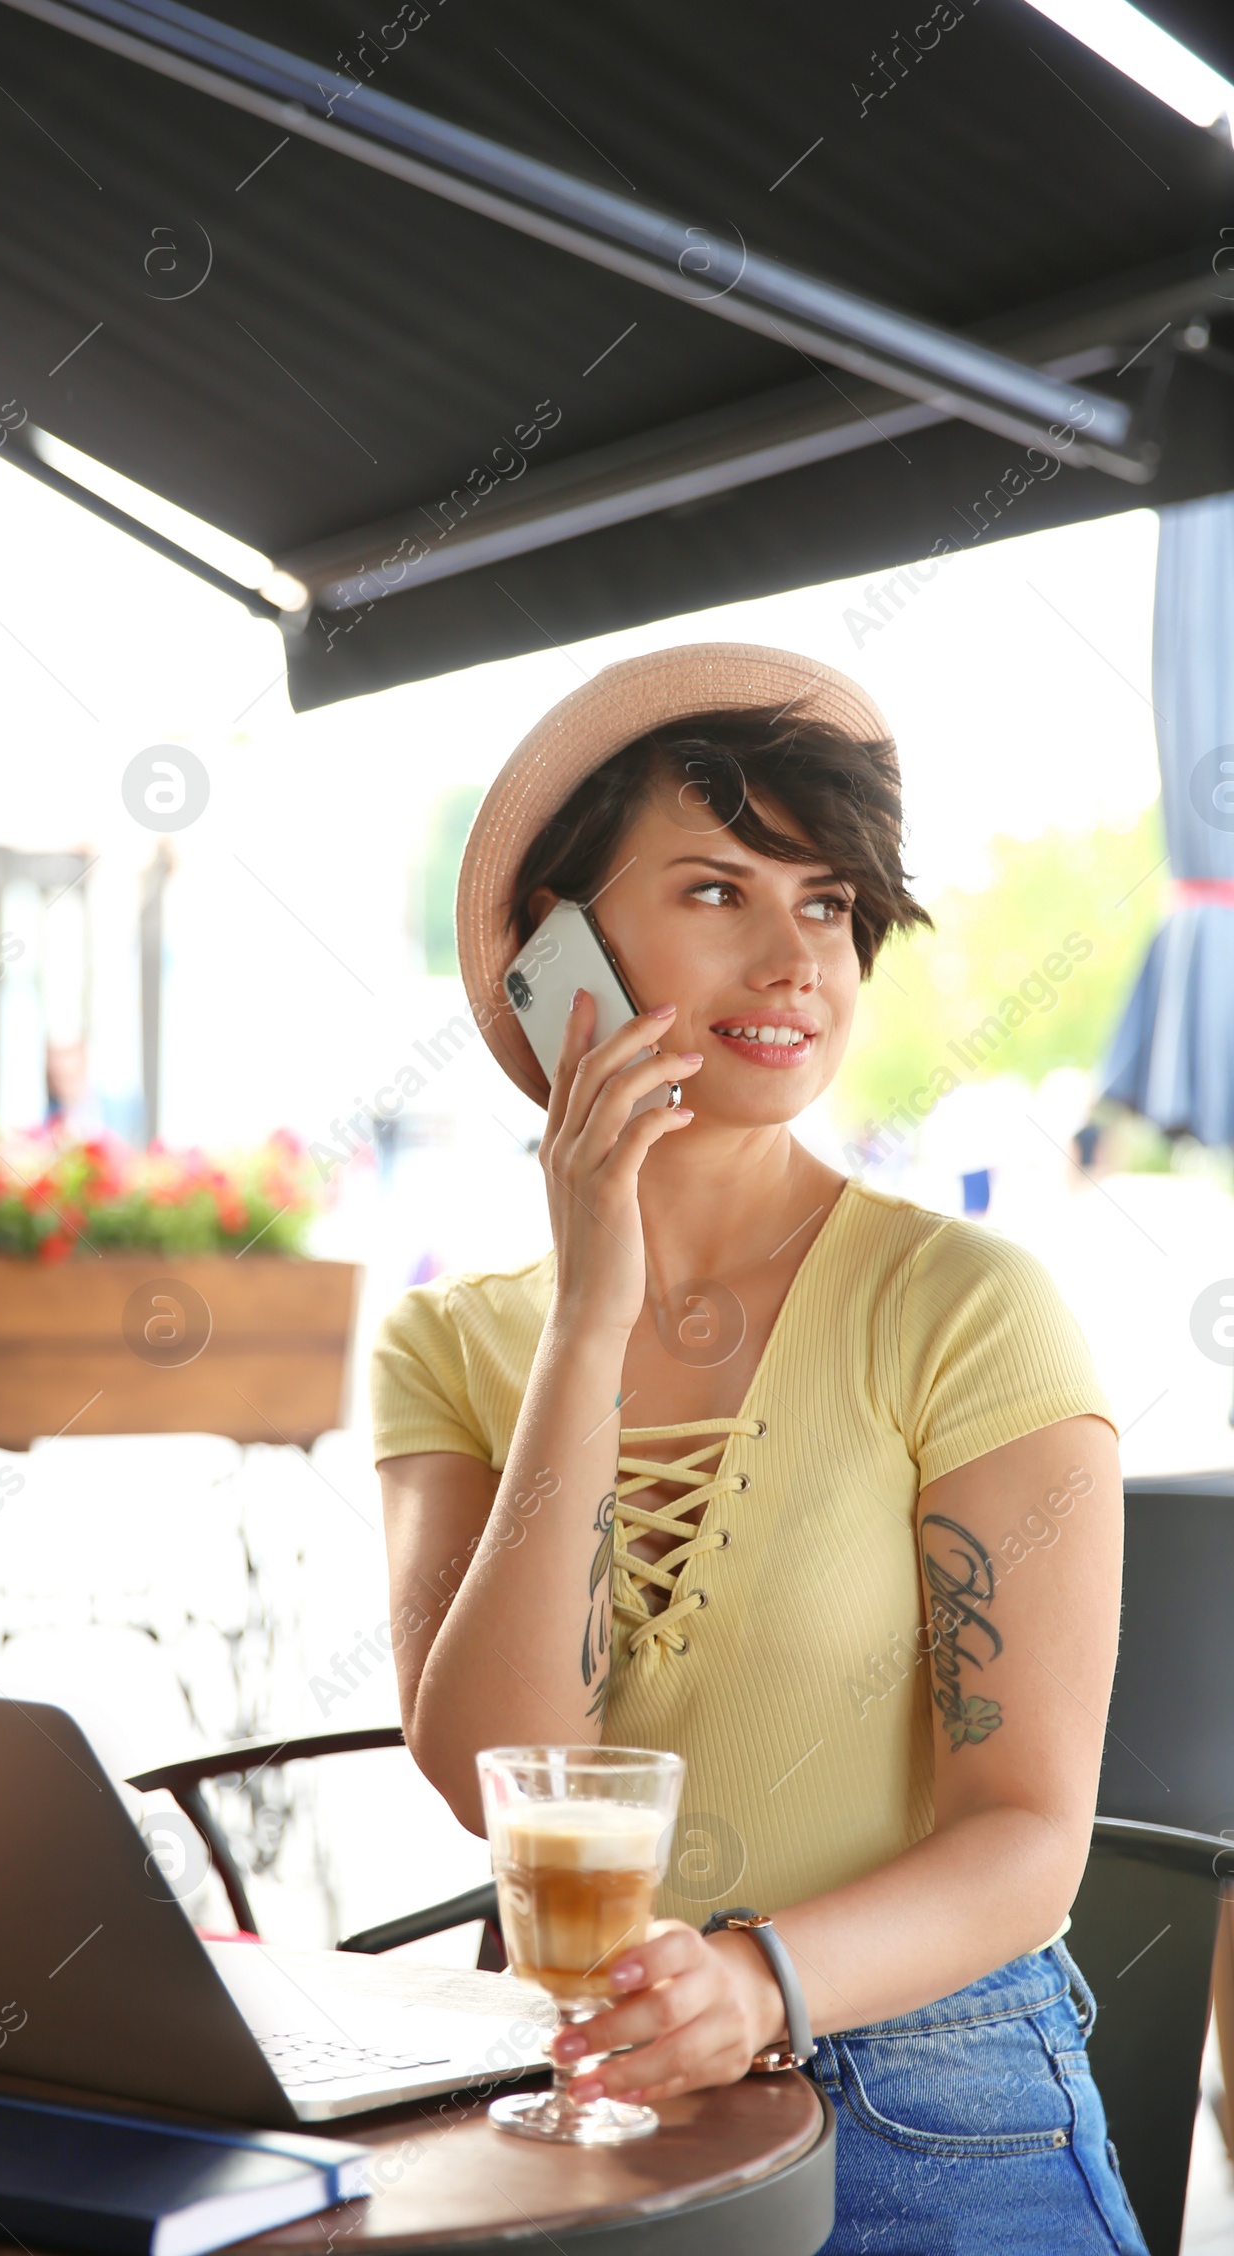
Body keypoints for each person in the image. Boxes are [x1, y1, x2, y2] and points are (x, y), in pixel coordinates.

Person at [371, 644, 1144, 2253]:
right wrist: (593, 1315)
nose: (797, 960)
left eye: (830, 905)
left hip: (934, 2101)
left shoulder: (968, 1308)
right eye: (719, 892)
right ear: (554, 952)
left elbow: (1029, 1833)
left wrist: (756, 1979)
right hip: (578, 2103)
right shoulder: (450, 1348)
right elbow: (490, 1773)